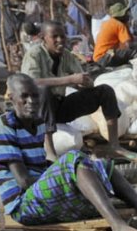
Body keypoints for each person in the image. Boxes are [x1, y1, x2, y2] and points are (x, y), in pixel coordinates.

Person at [0, 73, 137, 231]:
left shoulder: (38, 122)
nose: (31, 101)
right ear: (12, 98)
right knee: (72, 159)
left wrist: (77, 176)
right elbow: (24, 181)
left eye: (34, 96)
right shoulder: (4, 127)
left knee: (102, 165)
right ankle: (118, 227)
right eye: (24, 97)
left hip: (39, 196)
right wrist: (63, 180)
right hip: (24, 205)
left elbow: (43, 164)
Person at [22, 22, 128, 151]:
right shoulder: (34, 54)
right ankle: (49, 149)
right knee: (43, 90)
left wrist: (85, 82)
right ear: (43, 37)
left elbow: (81, 76)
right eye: (54, 37)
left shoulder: (66, 55)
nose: (60, 40)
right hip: (38, 111)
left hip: (59, 107)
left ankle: (114, 145)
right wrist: (69, 79)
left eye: (62, 36)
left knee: (105, 91)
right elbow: (31, 82)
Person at [92, 2, 133, 67]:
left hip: (98, 58)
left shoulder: (107, 23)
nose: (127, 15)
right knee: (133, 51)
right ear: (121, 15)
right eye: (125, 13)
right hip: (105, 57)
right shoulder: (119, 25)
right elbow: (128, 45)